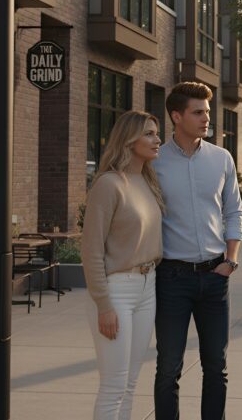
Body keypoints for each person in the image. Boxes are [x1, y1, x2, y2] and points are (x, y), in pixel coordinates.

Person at [152, 82, 242, 420]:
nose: (207, 118)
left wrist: (231, 258)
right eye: (199, 112)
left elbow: (234, 211)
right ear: (177, 116)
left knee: (216, 367)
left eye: (207, 111)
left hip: (215, 277)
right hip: (172, 278)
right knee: (167, 368)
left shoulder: (221, 158)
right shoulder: (155, 161)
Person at [81, 110, 165, 420]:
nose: (157, 140)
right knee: (114, 385)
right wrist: (103, 304)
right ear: (129, 140)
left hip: (147, 286)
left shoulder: (146, 180)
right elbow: (90, 249)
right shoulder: (109, 184)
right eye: (149, 134)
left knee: (130, 384)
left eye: (156, 133)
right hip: (116, 290)